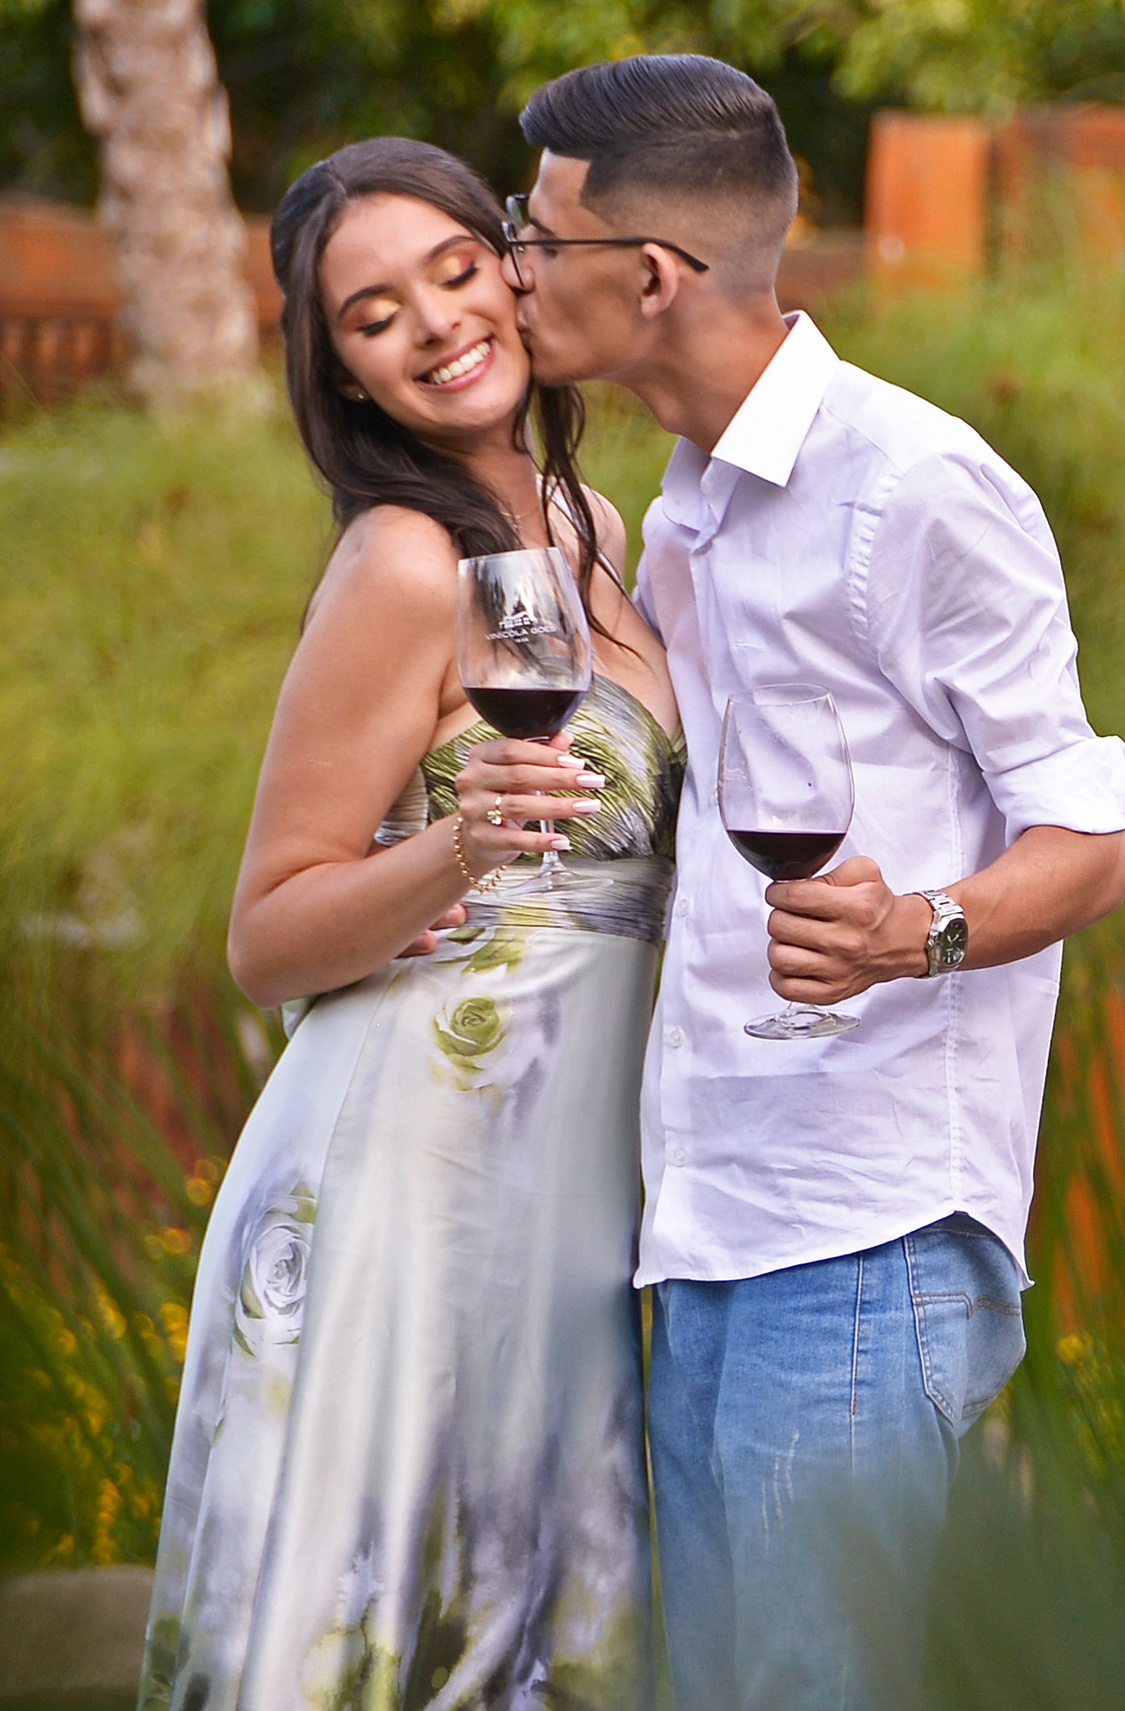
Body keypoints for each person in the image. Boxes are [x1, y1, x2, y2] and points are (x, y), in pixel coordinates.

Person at [507, 54, 1125, 1710]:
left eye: (535, 235)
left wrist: (918, 930)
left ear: (645, 278)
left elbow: (1088, 836)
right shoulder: (687, 506)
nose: (510, 268)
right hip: (710, 1208)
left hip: (864, 1230)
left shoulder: (916, 487)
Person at [139, 138, 680, 1711]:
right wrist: (455, 845)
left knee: (531, 1634)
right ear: (346, 375)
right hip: (404, 1196)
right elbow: (268, 931)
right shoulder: (401, 559)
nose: (438, 324)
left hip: (560, 1212)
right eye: (374, 316)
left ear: (517, 264)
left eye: (454, 269)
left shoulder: (596, 527)